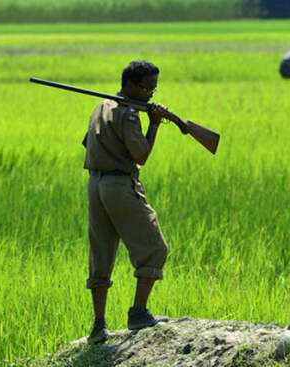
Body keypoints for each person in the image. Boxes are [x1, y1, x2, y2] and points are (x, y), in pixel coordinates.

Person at [82, 60, 169, 344]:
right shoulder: (130, 115)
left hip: (95, 185)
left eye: (153, 90)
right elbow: (141, 155)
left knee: (101, 252)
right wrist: (154, 124)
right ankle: (139, 312)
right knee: (154, 248)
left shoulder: (100, 107)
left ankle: (98, 325)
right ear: (130, 85)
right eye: (146, 89)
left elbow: (88, 143)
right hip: (120, 184)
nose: (149, 95)